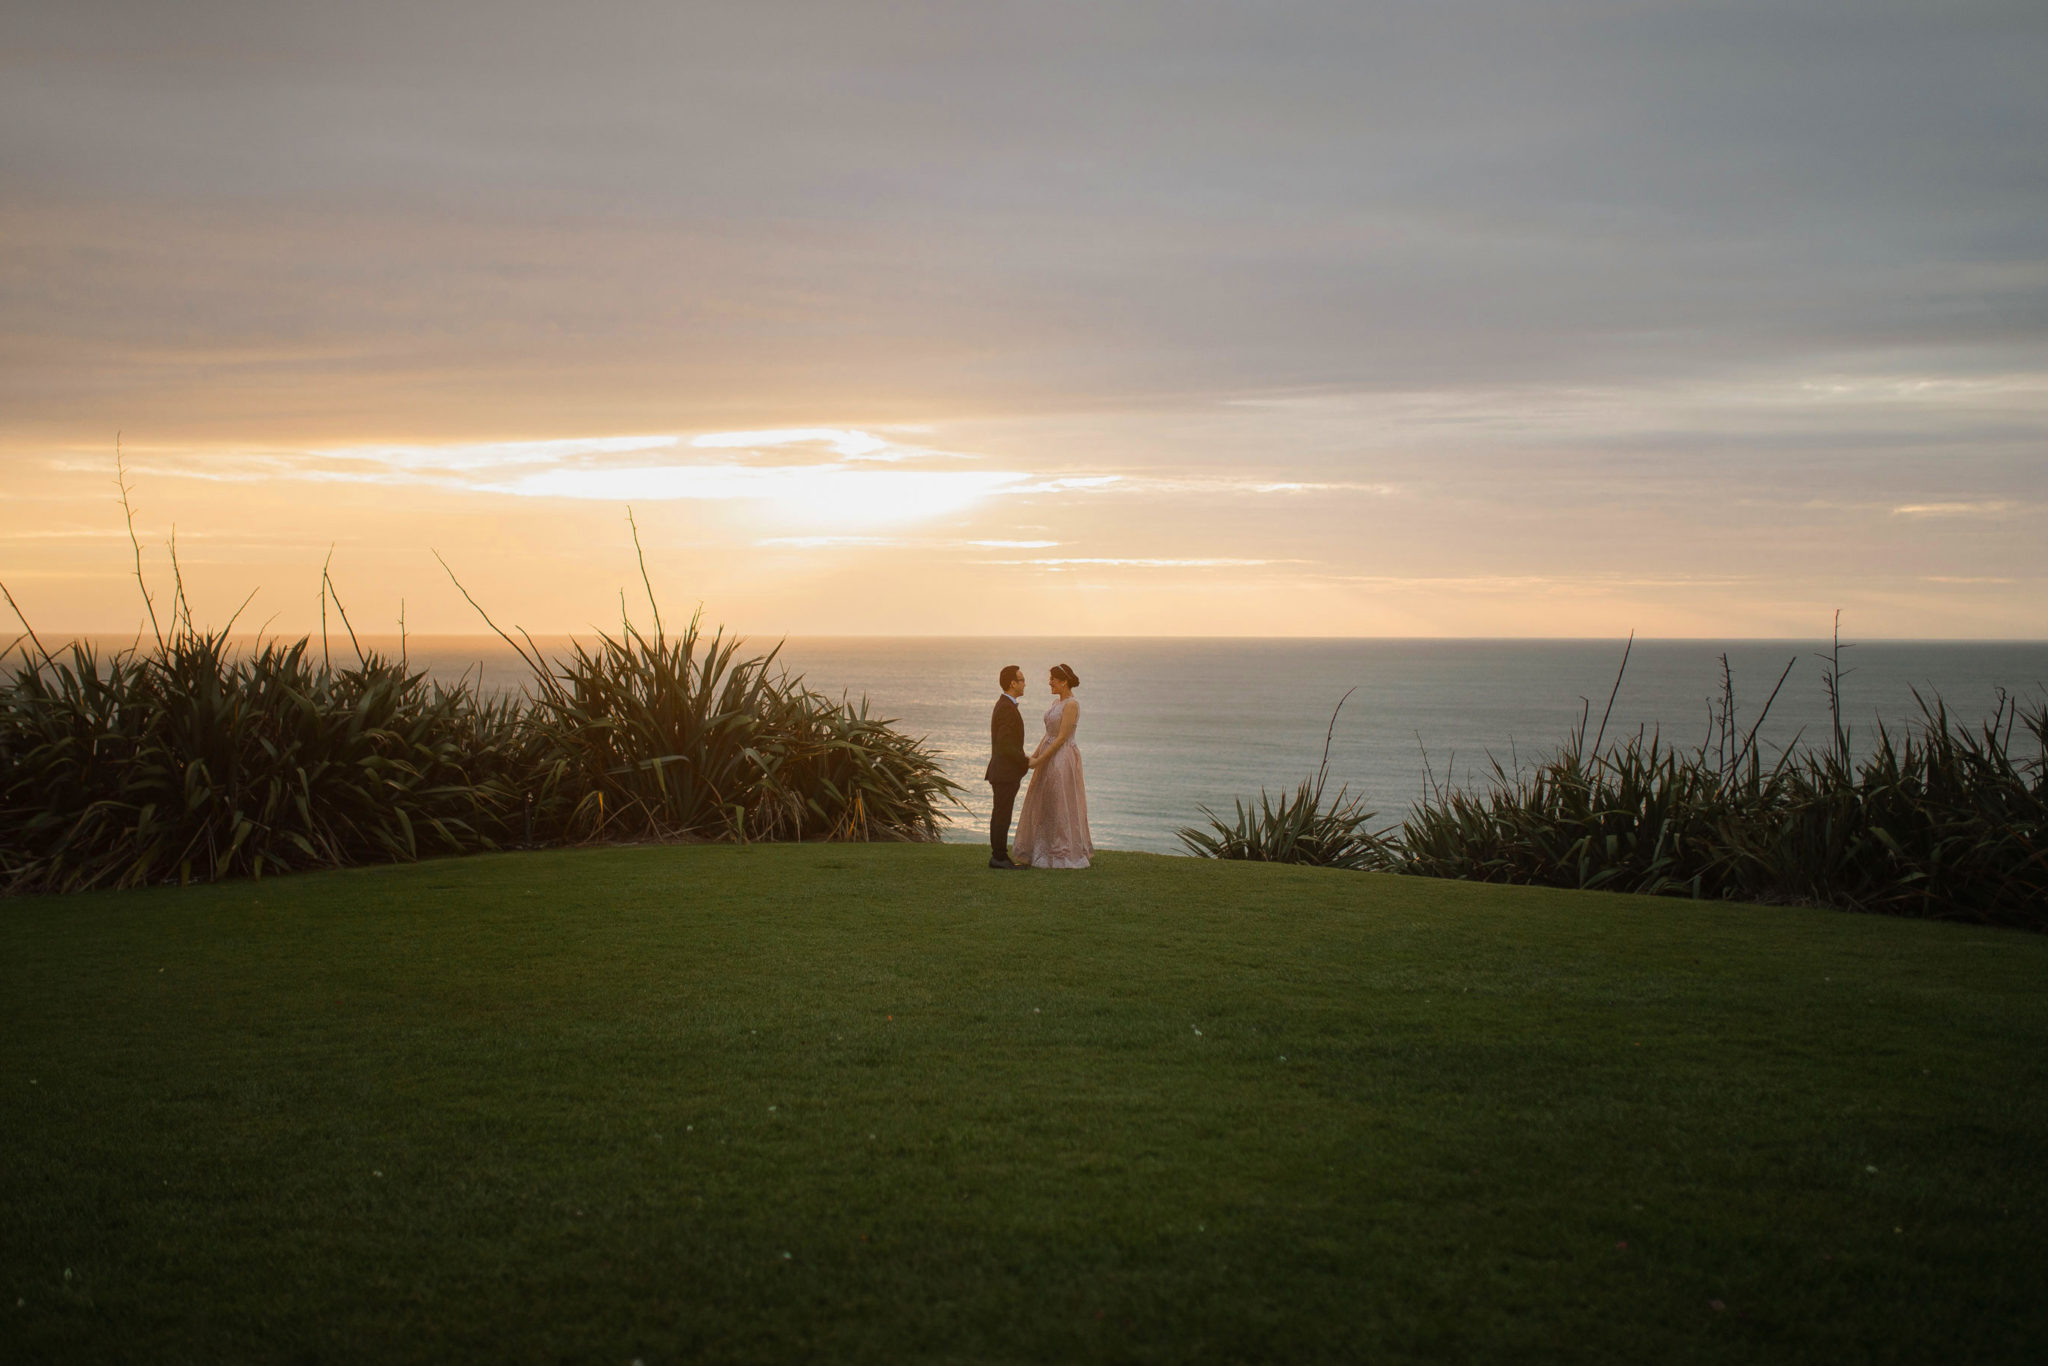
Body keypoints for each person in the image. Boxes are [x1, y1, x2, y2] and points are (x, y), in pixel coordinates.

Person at [1011, 663, 1092, 869]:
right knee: (1045, 800)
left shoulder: (1071, 705)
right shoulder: (1057, 703)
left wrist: (1040, 760)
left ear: (1063, 681)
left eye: (1053, 680)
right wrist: (1034, 756)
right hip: (1049, 754)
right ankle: (1041, 849)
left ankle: (1061, 852)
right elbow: (1048, 735)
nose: (1050, 683)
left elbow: (1062, 738)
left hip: (1062, 757)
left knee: (1060, 800)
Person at [985, 664, 1030, 869]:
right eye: (1021, 680)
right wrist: (1025, 760)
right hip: (1004, 772)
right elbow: (1005, 745)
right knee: (1002, 814)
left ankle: (1000, 856)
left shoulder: (1004, 705)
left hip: (1003, 771)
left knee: (1000, 813)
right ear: (1013, 683)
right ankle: (999, 857)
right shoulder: (1006, 707)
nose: (1024, 683)